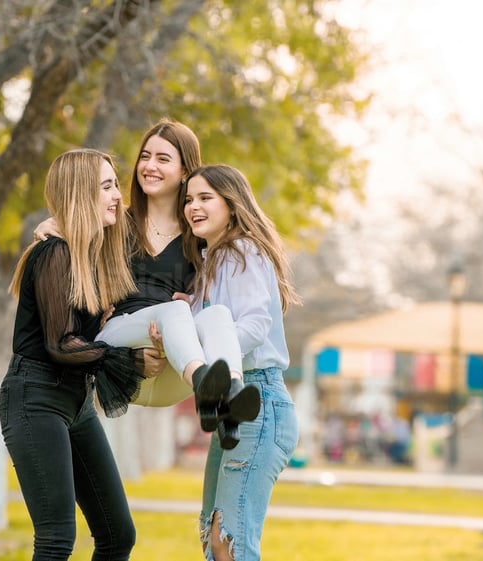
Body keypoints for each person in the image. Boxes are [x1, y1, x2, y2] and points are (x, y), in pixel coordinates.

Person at [34, 119, 259, 448]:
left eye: (163, 159)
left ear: (185, 171)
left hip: (169, 364)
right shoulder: (113, 219)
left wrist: (195, 303)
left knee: (218, 314)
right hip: (122, 352)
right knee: (174, 310)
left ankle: (229, 398)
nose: (149, 166)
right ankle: (205, 386)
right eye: (145, 156)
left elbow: (228, 266)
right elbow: (74, 219)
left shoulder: (197, 233)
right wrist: (49, 224)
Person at [0, 148, 165, 560]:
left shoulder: (93, 255)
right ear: (80, 194)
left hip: (76, 403)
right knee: (56, 539)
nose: (117, 197)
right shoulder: (54, 254)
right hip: (35, 399)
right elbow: (61, 344)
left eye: (115, 186)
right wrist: (128, 363)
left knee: (117, 535)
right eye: (106, 187)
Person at [181, 163, 300, 561]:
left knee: (230, 541)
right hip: (234, 409)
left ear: (231, 204)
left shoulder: (241, 250)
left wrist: (216, 351)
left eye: (204, 198)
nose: (193, 207)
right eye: (188, 200)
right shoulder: (212, 261)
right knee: (215, 539)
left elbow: (256, 322)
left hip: (257, 400)